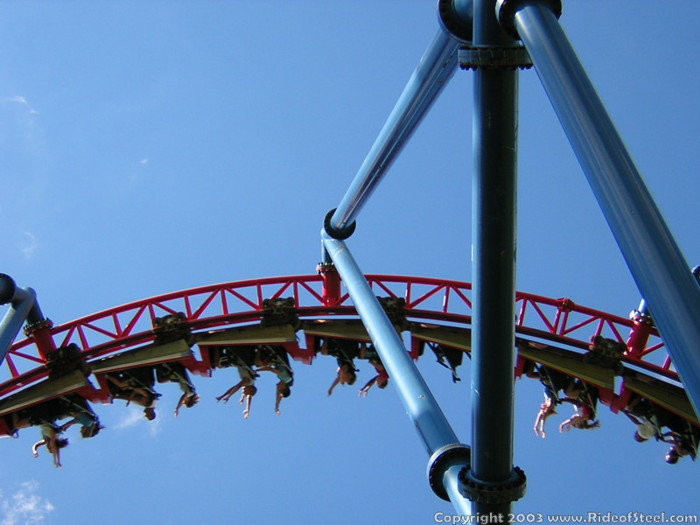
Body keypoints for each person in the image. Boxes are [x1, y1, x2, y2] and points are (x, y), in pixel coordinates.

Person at [525, 361, 583, 438]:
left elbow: (541, 414)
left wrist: (535, 426)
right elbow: (543, 415)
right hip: (554, 379)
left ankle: (529, 358)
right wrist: (541, 428)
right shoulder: (552, 402)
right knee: (531, 375)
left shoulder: (548, 400)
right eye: (545, 409)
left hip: (548, 379)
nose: (542, 409)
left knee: (529, 375)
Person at [216, 345, 260, 419]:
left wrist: (247, 409)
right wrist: (228, 397)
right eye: (246, 392)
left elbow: (249, 397)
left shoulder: (251, 382)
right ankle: (217, 346)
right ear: (249, 389)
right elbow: (236, 387)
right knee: (219, 364)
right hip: (240, 356)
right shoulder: (248, 381)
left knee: (221, 364)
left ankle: (219, 347)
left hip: (238, 361)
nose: (244, 393)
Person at [255, 345, 294, 415]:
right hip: (277, 352)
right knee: (258, 363)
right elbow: (270, 369)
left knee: (259, 362)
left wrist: (277, 406)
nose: (276, 388)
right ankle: (259, 347)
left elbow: (280, 394)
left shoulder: (285, 380)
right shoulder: (286, 378)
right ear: (283, 387)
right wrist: (257, 370)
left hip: (275, 358)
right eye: (279, 389)